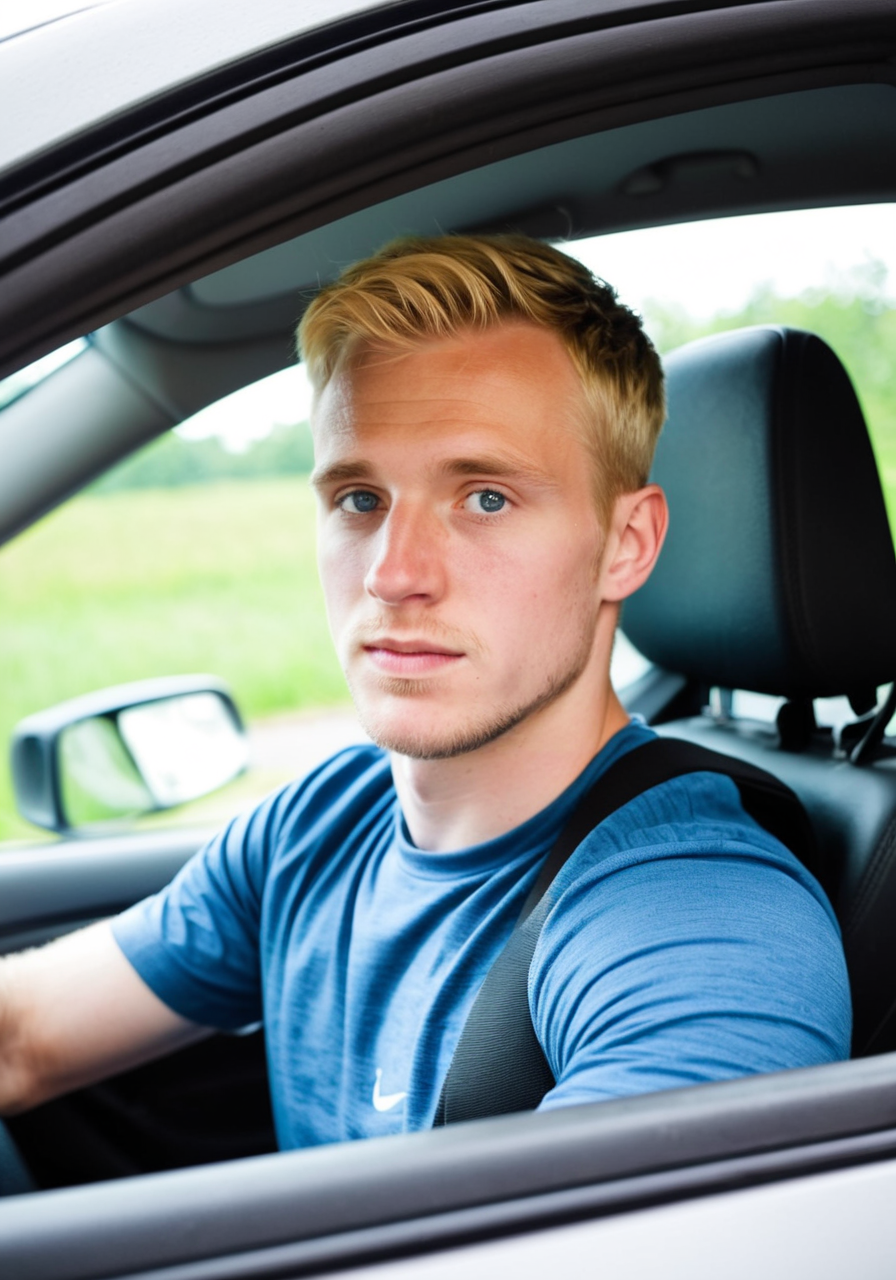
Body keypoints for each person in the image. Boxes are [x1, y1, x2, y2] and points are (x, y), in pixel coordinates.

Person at [0, 236, 850, 1148]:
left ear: (626, 544)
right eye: (359, 499)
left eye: (485, 497)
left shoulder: (696, 911)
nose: (393, 575)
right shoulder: (321, 822)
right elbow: (22, 1039)